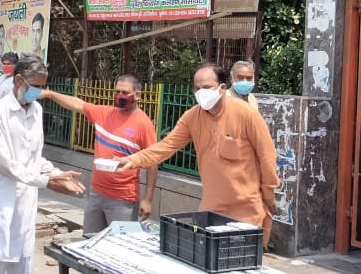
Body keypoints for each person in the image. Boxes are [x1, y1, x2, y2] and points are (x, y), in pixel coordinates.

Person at [117, 63, 279, 244]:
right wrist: (134, 159)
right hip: (211, 209)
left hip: (246, 211)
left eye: (207, 87)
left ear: (222, 87)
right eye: (197, 88)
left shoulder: (246, 114)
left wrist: (269, 194)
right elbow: (166, 146)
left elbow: (267, 156)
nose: (201, 93)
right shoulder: (192, 117)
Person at [0, 54, 86, 273]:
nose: (39, 92)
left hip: (26, 202)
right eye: (35, 87)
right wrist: (47, 182)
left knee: (23, 262)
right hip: (2, 201)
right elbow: (4, 163)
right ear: (18, 80)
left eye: (42, 87)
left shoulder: (36, 110)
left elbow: (34, 156)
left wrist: (58, 174)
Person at [41, 75, 158, 236]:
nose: (120, 95)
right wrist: (50, 94)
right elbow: (78, 104)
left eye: (125, 92)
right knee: (90, 240)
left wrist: (148, 200)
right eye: (117, 91)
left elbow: (153, 164)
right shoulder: (105, 113)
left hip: (123, 199)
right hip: (96, 193)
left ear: (137, 95)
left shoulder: (144, 124)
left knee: (120, 245)